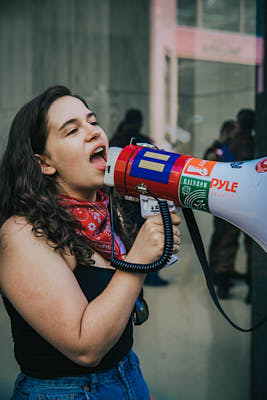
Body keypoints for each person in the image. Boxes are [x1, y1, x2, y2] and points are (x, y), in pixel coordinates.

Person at [0, 85, 181, 400]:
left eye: (92, 121)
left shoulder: (107, 211)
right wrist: (139, 258)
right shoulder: (22, 233)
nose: (94, 132)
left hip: (127, 375)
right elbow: (85, 348)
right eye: (72, 131)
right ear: (44, 163)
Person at [110, 109, 170, 286]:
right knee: (150, 237)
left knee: (128, 237)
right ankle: (147, 276)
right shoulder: (143, 142)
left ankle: (134, 275)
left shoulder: (116, 141)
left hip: (124, 200)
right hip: (144, 198)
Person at [204, 119, 241, 300]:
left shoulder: (225, 148)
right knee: (224, 239)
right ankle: (219, 277)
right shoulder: (217, 149)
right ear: (227, 131)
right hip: (223, 202)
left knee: (221, 238)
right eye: (234, 132)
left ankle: (218, 273)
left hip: (224, 202)